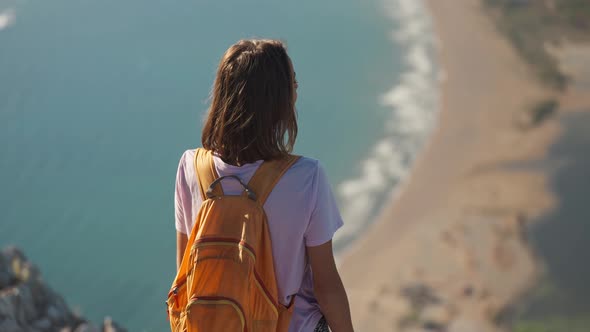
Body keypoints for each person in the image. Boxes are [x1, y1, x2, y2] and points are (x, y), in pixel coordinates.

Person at [174, 39, 354, 332]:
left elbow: (185, 274)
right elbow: (326, 285)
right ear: (278, 101)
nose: (297, 89)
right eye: (292, 83)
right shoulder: (307, 177)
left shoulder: (190, 167)